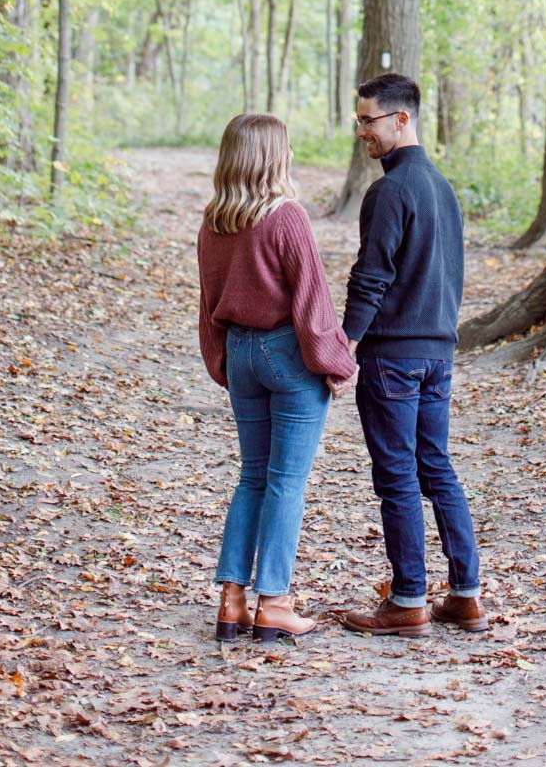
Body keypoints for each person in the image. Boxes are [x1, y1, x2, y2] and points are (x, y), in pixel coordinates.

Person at [335, 72, 487, 637]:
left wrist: (343, 347)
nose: (361, 132)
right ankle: (466, 595)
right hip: (437, 355)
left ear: (402, 119)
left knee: (398, 475)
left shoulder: (390, 191)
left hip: (394, 357)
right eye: (358, 121)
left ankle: (407, 601)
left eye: (369, 120)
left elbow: (370, 278)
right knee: (436, 467)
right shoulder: (443, 188)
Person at [197, 112, 355, 643]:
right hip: (286, 354)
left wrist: (221, 360)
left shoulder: (215, 221)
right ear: (273, 155)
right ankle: (276, 603)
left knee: (252, 477)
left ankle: (232, 600)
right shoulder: (286, 216)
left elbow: (207, 303)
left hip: (240, 351)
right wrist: (333, 362)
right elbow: (312, 300)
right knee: (286, 483)